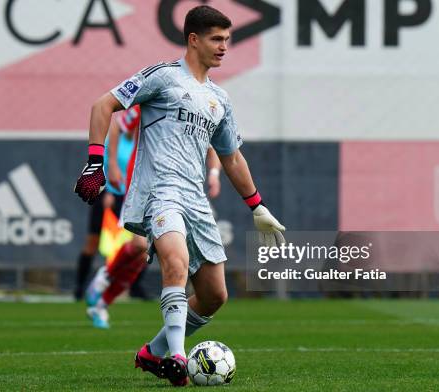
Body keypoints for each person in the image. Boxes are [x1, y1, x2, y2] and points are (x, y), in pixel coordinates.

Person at [74, 5, 285, 386]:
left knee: (214, 294)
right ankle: (177, 355)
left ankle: (153, 352)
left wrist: (257, 205)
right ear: (193, 39)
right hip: (159, 192)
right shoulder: (163, 77)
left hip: (195, 199)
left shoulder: (219, 98)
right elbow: (103, 104)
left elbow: (232, 156)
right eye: (216, 39)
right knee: (175, 260)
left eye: (227, 39)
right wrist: (95, 162)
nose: (224, 47)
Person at [86, 148, 223, 329]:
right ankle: (105, 278)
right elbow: (116, 126)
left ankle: (102, 303)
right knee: (140, 244)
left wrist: (213, 173)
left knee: (143, 254)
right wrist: (110, 168)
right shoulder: (150, 121)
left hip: (180, 192)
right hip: (145, 185)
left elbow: (213, 147)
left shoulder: (197, 122)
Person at [73, 105, 140, 301]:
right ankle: (79, 288)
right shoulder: (116, 141)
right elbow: (101, 166)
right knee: (93, 242)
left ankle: (134, 287)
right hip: (110, 195)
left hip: (132, 197)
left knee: (139, 244)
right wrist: (108, 191)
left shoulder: (144, 141)